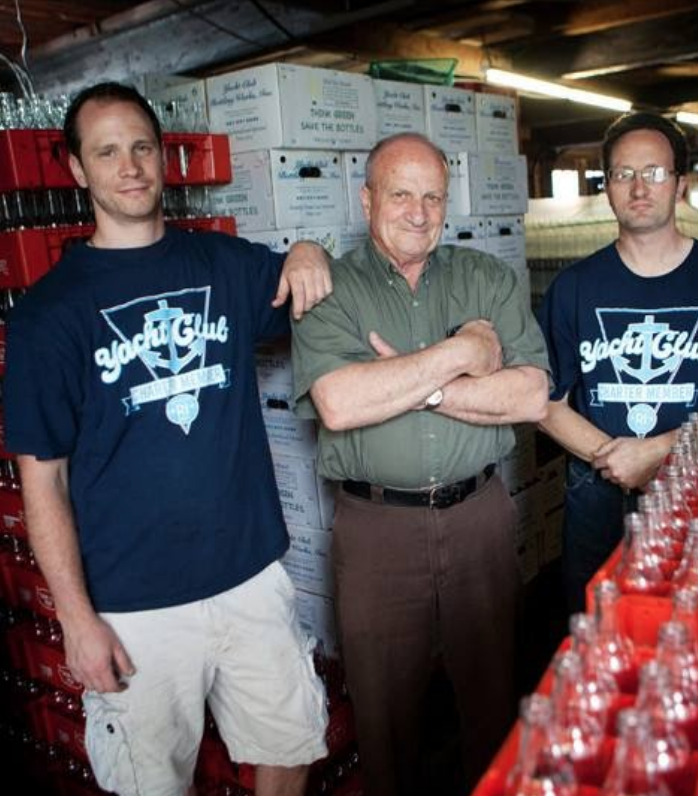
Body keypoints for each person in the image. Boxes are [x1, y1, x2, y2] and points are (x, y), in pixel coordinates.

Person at [2, 82, 333, 796]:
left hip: (249, 578)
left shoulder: (224, 267)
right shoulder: (48, 315)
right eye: (108, 152)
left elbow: (306, 283)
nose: (130, 166)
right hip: (134, 608)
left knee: (290, 743)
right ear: (76, 170)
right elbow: (43, 482)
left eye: (142, 147)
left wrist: (307, 247)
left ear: (164, 158)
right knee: (151, 782)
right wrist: (77, 620)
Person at [290, 132, 549, 796]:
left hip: (480, 519)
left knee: (494, 702)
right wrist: (463, 349)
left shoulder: (484, 276)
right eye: (401, 193)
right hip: (377, 531)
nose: (418, 211)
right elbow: (341, 403)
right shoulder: (330, 288)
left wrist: (410, 386)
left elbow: (530, 393)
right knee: (387, 718)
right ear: (367, 198)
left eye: (433, 195)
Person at [537, 112, 698, 614]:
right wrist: (617, 459)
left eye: (654, 172)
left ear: (681, 185)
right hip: (596, 497)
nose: (638, 187)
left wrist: (656, 451)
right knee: (600, 631)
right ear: (606, 188)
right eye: (623, 174)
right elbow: (546, 403)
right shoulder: (574, 287)